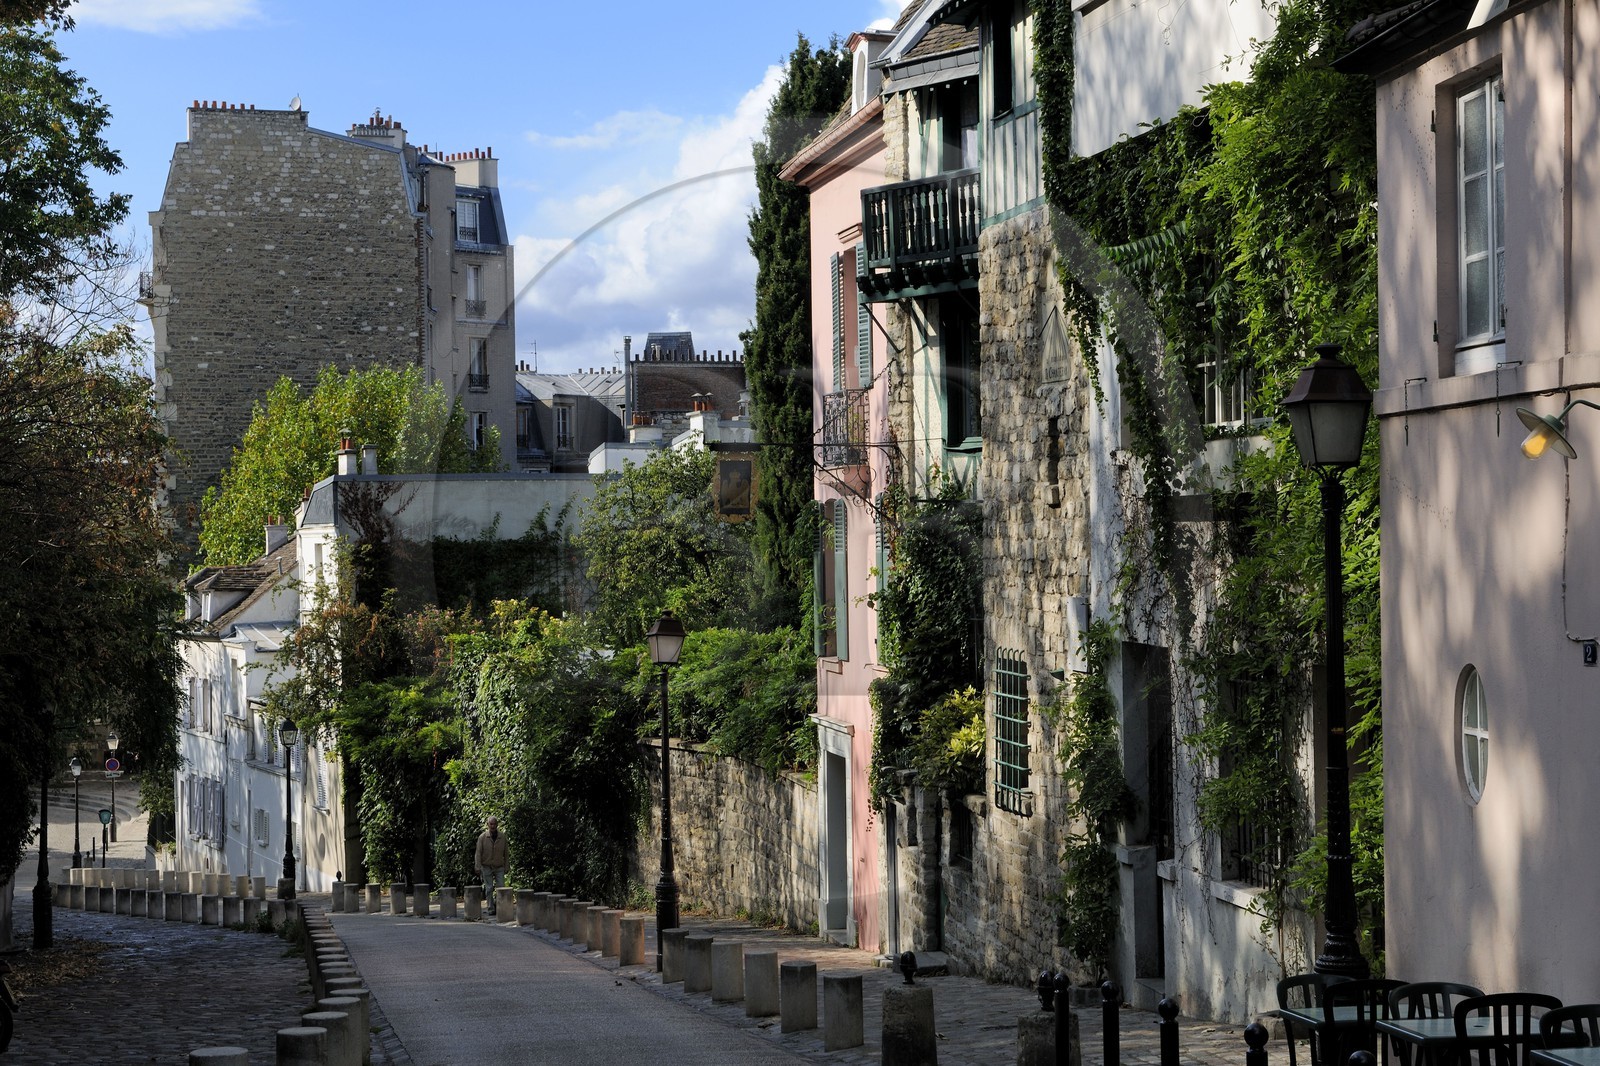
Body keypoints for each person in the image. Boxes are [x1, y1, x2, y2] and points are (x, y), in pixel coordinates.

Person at [474, 816, 508, 916]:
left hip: (499, 865)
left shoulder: (502, 837)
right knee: (489, 888)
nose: (493, 826)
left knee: (501, 887)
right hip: (486, 865)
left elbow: (506, 853)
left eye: (494, 824)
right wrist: (477, 866)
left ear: (497, 825)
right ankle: (490, 908)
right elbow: (478, 853)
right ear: (488, 825)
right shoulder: (482, 837)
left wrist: (507, 866)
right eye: (491, 824)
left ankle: (499, 906)